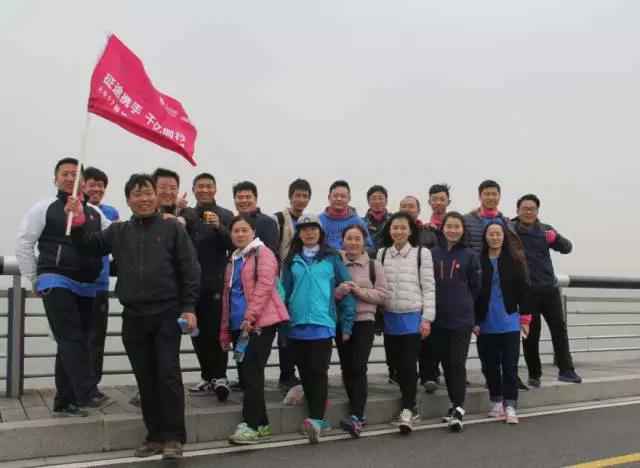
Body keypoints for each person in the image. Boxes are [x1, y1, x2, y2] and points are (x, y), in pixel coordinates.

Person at [67, 173, 200, 459]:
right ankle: (154, 436)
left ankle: (174, 437)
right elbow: (88, 246)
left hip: (167, 313)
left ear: (156, 196)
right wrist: (77, 219)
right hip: (134, 316)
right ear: (128, 200)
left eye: (148, 192)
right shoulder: (118, 231)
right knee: (145, 378)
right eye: (137, 194)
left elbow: (190, 269)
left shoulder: (173, 229)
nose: (144, 199)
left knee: (168, 375)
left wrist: (189, 307)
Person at [16, 157, 110, 417]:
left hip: (86, 284)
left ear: (83, 181)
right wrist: (33, 278)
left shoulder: (95, 213)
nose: (70, 178)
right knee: (70, 336)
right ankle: (88, 392)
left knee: (74, 341)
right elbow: (24, 242)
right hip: (55, 278)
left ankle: (64, 400)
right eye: (65, 174)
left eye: (75, 174)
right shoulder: (44, 207)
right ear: (55, 179)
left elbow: (115, 237)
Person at [281, 214, 356, 444]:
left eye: (313, 228)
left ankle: (316, 419)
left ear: (320, 232)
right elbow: (284, 291)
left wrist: (347, 323)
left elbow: (347, 289)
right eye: (304, 229)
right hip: (296, 324)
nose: (309, 232)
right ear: (299, 233)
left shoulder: (332, 258)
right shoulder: (291, 260)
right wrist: (283, 324)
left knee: (318, 371)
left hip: (323, 323)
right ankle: (315, 416)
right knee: (305, 372)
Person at [220, 216, 289, 444]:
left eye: (244, 230)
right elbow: (228, 297)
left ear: (253, 232)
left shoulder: (263, 253)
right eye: (236, 231)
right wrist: (224, 330)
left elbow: (264, 287)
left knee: (251, 372)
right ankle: (261, 424)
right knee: (249, 374)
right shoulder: (234, 259)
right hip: (238, 325)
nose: (240, 234)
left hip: (259, 324)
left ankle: (249, 425)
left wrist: (250, 317)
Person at [514, 194, 582, 385]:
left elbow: (567, 247)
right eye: (525, 208)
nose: (528, 212)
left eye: (532, 209)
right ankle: (534, 375)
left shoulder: (545, 230)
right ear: (518, 210)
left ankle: (566, 370)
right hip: (527, 292)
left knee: (559, 330)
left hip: (549, 290)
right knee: (530, 334)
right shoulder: (511, 229)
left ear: (537, 211)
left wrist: (556, 238)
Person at [377, 212, 435, 434]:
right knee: (395, 365)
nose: (399, 231)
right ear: (389, 230)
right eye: (395, 227)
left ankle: (409, 409)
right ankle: (408, 400)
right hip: (390, 317)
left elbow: (429, 287)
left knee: (409, 365)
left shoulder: (422, 253)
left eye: (403, 227)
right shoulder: (382, 253)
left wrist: (427, 318)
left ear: (411, 231)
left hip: (413, 317)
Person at [180, 173, 235, 400]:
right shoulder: (186, 214)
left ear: (215, 189)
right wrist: (177, 209)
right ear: (193, 190)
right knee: (196, 333)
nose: (204, 190)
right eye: (200, 186)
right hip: (191, 285)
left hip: (216, 284)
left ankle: (220, 376)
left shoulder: (226, 215)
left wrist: (219, 227)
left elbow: (234, 244)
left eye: (208, 186)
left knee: (217, 333)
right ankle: (206, 376)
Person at [335, 224, 389, 437]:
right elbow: (327, 293)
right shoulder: (335, 263)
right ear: (343, 241)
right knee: (347, 367)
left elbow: (383, 295)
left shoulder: (374, 265)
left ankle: (358, 414)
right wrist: (339, 292)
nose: (353, 242)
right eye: (349, 238)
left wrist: (359, 291)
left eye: (357, 238)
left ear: (364, 241)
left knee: (358, 366)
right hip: (340, 321)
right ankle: (355, 408)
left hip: (365, 321)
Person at [475, 222, 531, 425]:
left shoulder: (515, 260)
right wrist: (474, 320)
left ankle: (510, 405)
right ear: (485, 237)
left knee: (509, 366)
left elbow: (525, 290)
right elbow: (472, 292)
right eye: (491, 234)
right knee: (489, 366)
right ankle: (497, 401)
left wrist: (525, 319)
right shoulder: (478, 261)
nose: (495, 237)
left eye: (498, 234)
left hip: (510, 321)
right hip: (485, 322)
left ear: (504, 236)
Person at [430, 212, 481, 432]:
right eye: (449, 226)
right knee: (446, 364)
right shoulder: (432, 254)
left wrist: (472, 314)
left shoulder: (470, 255)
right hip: (438, 318)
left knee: (457, 363)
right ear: (442, 228)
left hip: (462, 319)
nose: (453, 230)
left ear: (463, 230)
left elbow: (476, 288)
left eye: (457, 227)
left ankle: (459, 408)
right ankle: (453, 405)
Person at [83, 166, 120, 395]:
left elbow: (115, 242)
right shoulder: (72, 210)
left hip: (100, 285)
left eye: (100, 185)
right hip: (74, 285)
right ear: (83, 186)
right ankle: (73, 388)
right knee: (74, 339)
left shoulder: (111, 212)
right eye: (92, 184)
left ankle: (92, 386)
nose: (96, 188)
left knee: (97, 339)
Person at [273, 178, 312, 389]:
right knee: (285, 327)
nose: (301, 199)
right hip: (282, 279)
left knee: (299, 325)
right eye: (298, 195)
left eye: (305, 196)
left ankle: (299, 371)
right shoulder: (278, 219)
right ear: (290, 197)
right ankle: (286, 373)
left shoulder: (310, 222)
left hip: (303, 280)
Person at [318, 180, 372, 251]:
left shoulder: (358, 222)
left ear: (349, 198)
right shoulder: (319, 221)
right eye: (335, 196)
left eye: (343, 196)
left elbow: (369, 247)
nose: (339, 199)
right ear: (329, 197)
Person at [463, 180, 512, 255]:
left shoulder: (506, 222)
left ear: (499, 197)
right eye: (487, 194)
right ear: (480, 197)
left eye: (494, 194)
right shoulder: (466, 220)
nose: (491, 197)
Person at [233, 181, 279, 256]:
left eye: (248, 197)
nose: (244, 200)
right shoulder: (233, 222)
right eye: (240, 197)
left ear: (256, 199)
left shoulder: (267, 222)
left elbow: (272, 253)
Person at [362, 185, 391, 252]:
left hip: (388, 256)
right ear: (368, 201)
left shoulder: (394, 221)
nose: (377, 201)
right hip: (367, 256)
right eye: (374, 199)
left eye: (380, 198)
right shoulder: (360, 222)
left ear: (386, 201)